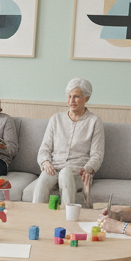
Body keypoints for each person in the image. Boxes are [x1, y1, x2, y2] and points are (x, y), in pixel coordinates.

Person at [32, 79, 104, 207]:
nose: (71, 101)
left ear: (86, 98)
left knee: (65, 173)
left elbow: (97, 154)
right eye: (69, 96)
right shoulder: (56, 119)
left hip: (77, 172)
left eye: (76, 97)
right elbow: (44, 148)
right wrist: (45, 162)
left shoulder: (94, 121)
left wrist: (88, 169)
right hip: (54, 168)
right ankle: (36, 216)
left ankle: (68, 216)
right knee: (43, 178)